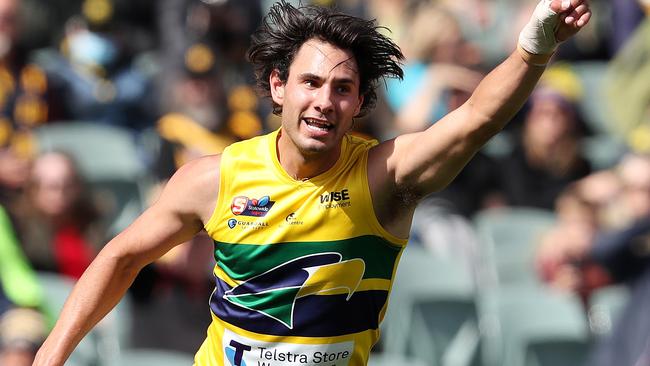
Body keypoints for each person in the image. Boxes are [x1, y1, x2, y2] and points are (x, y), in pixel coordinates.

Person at [33, 0, 592, 365]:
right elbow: (120, 257)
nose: (324, 101)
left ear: (359, 105)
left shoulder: (386, 177)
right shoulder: (215, 178)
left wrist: (535, 42)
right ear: (278, 87)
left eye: (343, 89)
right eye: (311, 82)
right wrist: (50, 358)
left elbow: (476, 120)